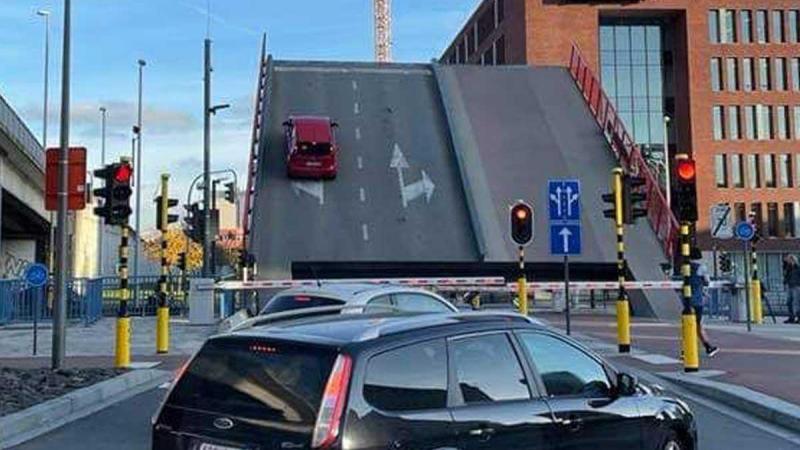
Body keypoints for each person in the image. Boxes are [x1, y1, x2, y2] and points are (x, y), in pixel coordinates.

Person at [688, 248, 719, 357]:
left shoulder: (685, 267)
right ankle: (707, 347)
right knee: (698, 325)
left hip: (687, 299)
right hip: (697, 300)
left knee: (690, 324)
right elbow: (707, 281)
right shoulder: (701, 267)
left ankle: (706, 347)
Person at [783, 255, 800, 324]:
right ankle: (791, 317)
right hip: (790, 286)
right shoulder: (788, 268)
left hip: (797, 286)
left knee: (796, 303)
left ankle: (799, 318)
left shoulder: (798, 267)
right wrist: (785, 282)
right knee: (789, 302)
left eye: (789, 260)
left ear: (793, 260)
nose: (788, 261)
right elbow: (785, 275)